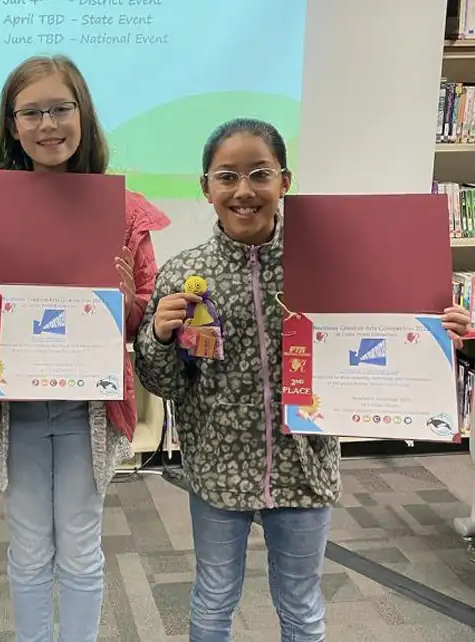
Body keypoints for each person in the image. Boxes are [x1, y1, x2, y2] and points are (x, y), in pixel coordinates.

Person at [133, 117, 472, 642]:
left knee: (301, 606)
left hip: (304, 468)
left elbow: (385, 333)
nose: (243, 191)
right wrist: (156, 335)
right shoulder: (183, 272)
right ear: (206, 188)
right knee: (213, 599)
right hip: (217, 470)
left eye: (259, 174)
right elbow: (164, 384)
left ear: (285, 181)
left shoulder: (328, 260)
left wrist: (435, 335)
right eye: (226, 176)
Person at [0, 54, 170, 641]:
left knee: (82, 545)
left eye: (60, 109)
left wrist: (127, 301)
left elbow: (145, 309)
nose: (48, 124)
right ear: (12, 126)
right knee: (28, 545)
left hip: (86, 409)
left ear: (82, 115)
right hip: (12, 407)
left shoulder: (120, 212)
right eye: (32, 112)